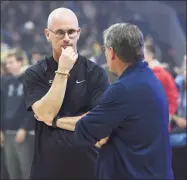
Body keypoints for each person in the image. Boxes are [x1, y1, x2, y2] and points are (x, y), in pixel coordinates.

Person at [41, 23, 173, 179]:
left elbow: (88, 129)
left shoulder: (123, 88)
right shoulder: (149, 79)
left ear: (111, 52)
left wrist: (55, 120)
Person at [23, 8, 109, 179]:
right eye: (60, 33)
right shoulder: (35, 73)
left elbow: (99, 125)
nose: (67, 38)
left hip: (88, 168)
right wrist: (63, 70)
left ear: (78, 33)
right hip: (47, 170)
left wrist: (55, 121)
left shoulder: (95, 73)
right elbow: (46, 112)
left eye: (71, 32)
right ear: (47, 34)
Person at [0, 52, 34, 179]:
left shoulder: (29, 81)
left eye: (11, 62)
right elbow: (2, 107)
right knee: (12, 171)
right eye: (7, 63)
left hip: (24, 133)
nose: (8, 66)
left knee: (26, 170)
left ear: (20, 62)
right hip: (7, 132)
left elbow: (32, 108)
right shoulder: (5, 83)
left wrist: (24, 128)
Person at [144, 44, 179, 131]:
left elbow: (173, 97)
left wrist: (169, 117)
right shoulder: (145, 73)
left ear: (150, 55)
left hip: (159, 124)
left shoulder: (161, 74)